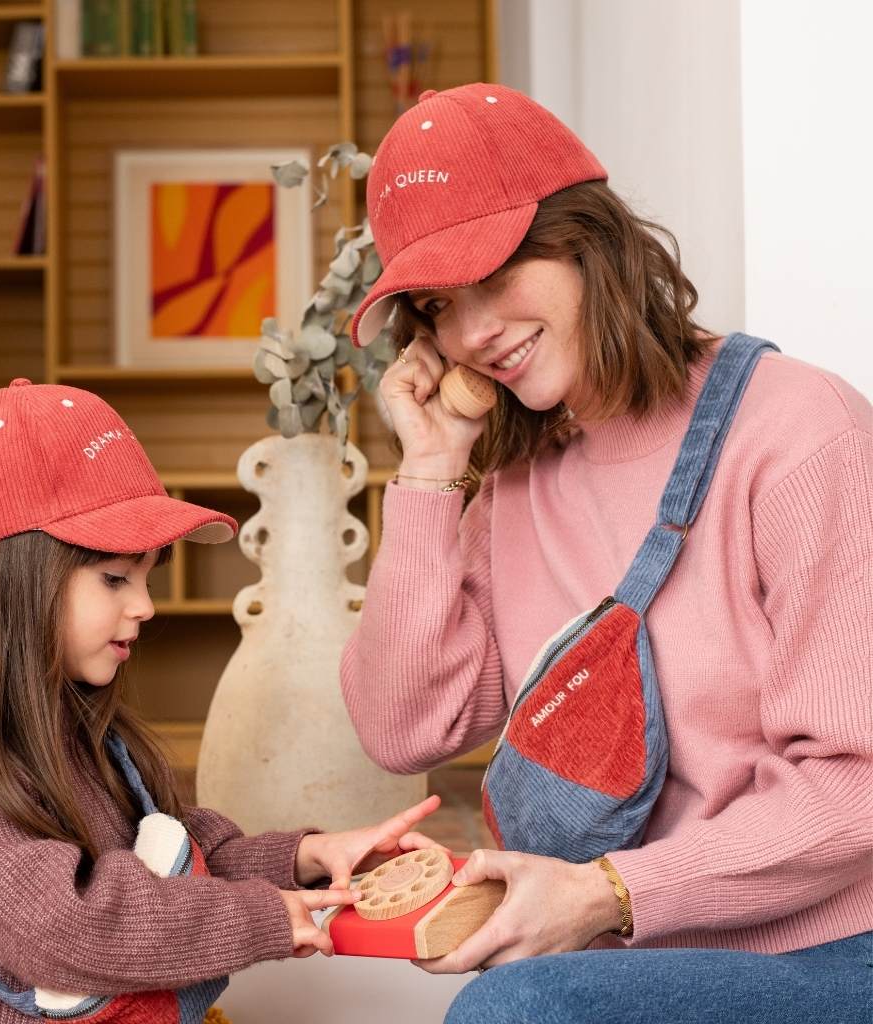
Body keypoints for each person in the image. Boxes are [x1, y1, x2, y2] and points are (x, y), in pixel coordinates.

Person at [341, 82, 872, 1022]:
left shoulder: (800, 431)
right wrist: (429, 472)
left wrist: (609, 893)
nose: (471, 335)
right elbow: (406, 728)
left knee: (516, 1012)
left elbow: (857, 786)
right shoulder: (514, 482)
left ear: (589, 239)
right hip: (624, 948)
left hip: (826, 943)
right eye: (437, 305)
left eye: (495, 273)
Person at [0, 378, 443, 1024]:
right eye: (114, 578)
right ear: (15, 580)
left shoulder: (68, 717)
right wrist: (261, 917)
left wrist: (302, 858)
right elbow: (68, 928)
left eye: (146, 576)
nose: (145, 606)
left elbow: (172, 856)